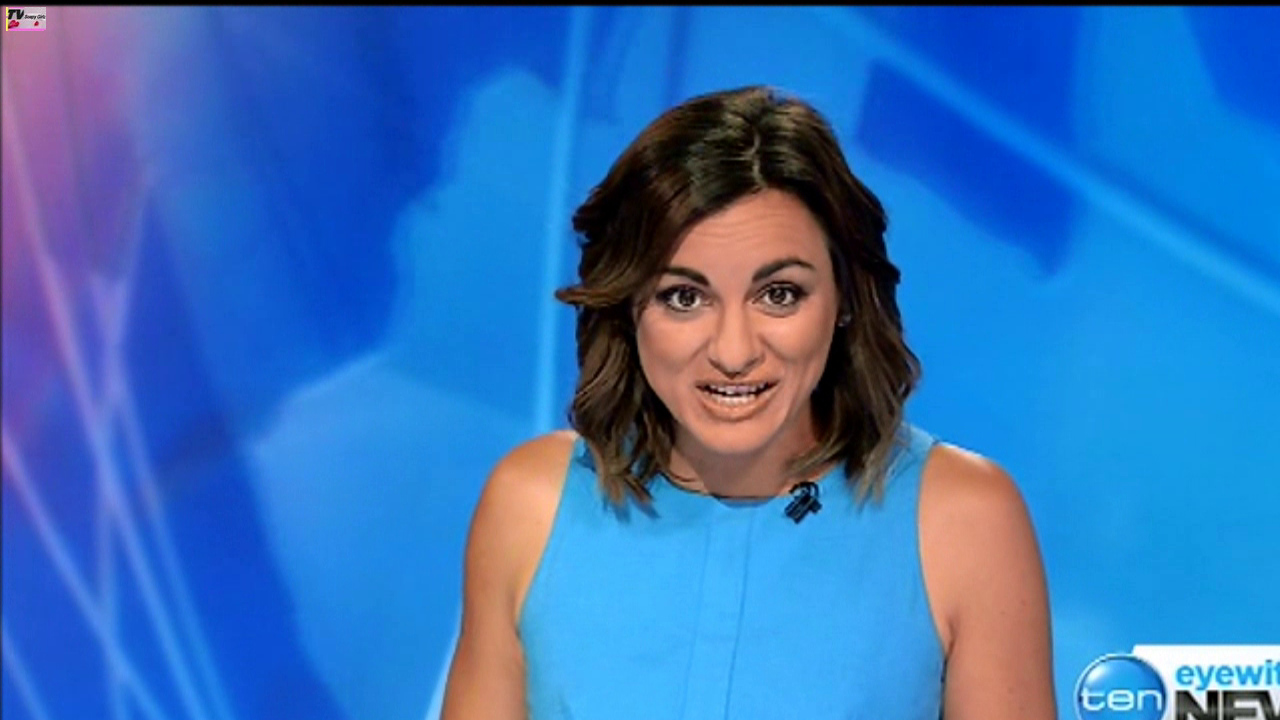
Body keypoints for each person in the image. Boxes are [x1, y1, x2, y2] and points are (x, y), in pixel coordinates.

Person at [439, 85, 1056, 720]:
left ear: (845, 299)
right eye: (684, 297)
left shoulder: (964, 520)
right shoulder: (531, 505)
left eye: (779, 294)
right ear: (627, 307)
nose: (733, 352)